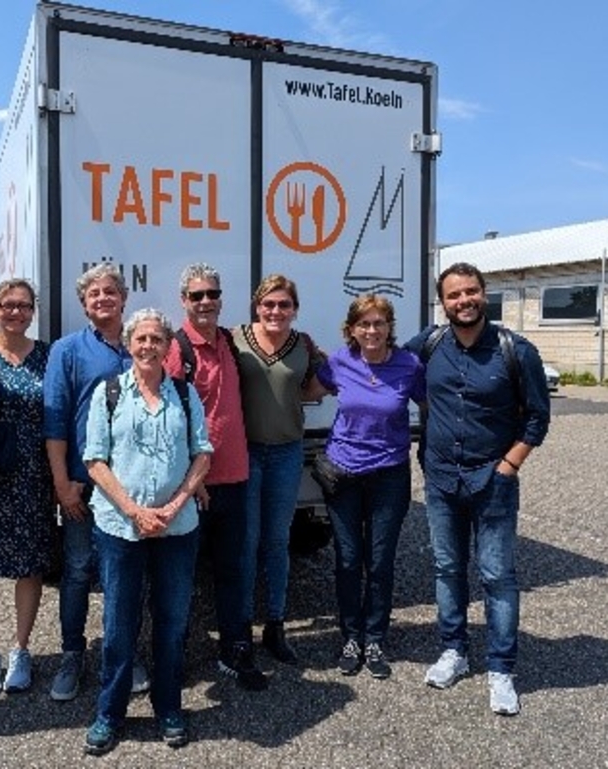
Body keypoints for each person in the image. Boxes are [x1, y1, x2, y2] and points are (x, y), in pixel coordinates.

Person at [405, 262, 550, 716]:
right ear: (442, 302)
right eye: (454, 295)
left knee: (497, 576)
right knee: (448, 569)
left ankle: (501, 669)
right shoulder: (428, 345)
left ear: (483, 294)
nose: (463, 300)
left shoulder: (516, 350)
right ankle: (454, 651)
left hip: (493, 482)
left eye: (470, 291)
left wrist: (508, 466)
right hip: (442, 480)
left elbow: (537, 418)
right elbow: (383, 361)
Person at [81, 309, 212, 756]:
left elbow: (202, 454)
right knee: (119, 624)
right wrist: (134, 510)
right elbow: (95, 460)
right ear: (129, 343)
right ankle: (110, 713)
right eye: (141, 338)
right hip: (121, 528)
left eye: (157, 338)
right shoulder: (109, 393)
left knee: (172, 622)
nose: (148, 346)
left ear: (168, 346)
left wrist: (174, 506)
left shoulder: (184, 393)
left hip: (178, 527)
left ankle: (169, 707)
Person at [43, 263, 147, 701]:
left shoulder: (142, 345)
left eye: (110, 291)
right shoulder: (67, 350)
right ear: (84, 305)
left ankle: (126, 652)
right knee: (78, 570)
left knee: (126, 574)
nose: (103, 298)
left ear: (123, 298)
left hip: (133, 486)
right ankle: (72, 655)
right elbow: (54, 421)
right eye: (94, 294)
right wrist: (62, 482)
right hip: (84, 486)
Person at [163, 263, 267, 691]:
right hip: (197, 486)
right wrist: (193, 480)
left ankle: (234, 651)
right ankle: (174, 656)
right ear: (184, 301)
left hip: (236, 477)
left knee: (233, 570)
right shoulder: (177, 349)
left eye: (212, 294)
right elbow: (169, 420)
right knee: (181, 576)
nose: (205, 301)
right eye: (197, 295)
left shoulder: (230, 341)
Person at [315, 295, 425, 679]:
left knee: (379, 562)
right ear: (352, 329)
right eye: (364, 324)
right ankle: (351, 636)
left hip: (389, 476)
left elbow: (432, 404)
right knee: (348, 560)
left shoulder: (409, 365)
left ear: (389, 327)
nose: (372, 330)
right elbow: (305, 391)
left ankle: (375, 637)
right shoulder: (339, 362)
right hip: (343, 474)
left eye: (379, 323)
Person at [0, 279, 53, 697]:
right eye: (8, 304)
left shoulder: (47, 355)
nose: (16, 312)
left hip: (34, 477)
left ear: (33, 310)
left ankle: (21, 650)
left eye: (24, 305)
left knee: (29, 566)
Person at [233, 274, 325, 665]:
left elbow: (321, 381)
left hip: (287, 452)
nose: (275, 311)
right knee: (247, 541)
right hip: (245, 454)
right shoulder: (235, 339)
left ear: (295, 309)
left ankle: (275, 623)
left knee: (277, 541)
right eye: (268, 304)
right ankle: (240, 627)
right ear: (257, 306)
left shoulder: (304, 344)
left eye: (284, 304)